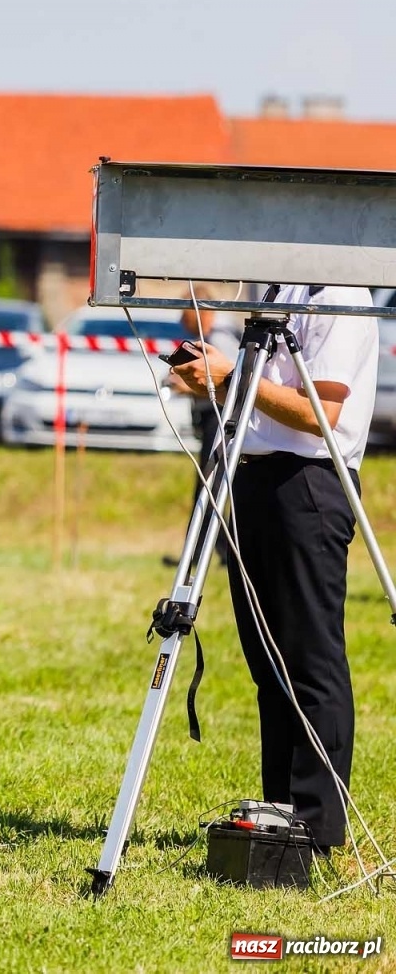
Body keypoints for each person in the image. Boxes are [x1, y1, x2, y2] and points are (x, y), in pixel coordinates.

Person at [172, 284, 376, 856]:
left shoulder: (341, 295)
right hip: (253, 475)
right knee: (269, 661)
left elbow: (321, 414)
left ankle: (317, 825)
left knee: (309, 658)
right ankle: (282, 809)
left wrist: (232, 375)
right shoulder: (275, 289)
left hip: (309, 481)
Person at [163, 287, 243, 566]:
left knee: (210, 487)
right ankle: (213, 552)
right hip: (213, 418)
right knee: (212, 487)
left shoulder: (220, 338)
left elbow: (234, 381)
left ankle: (200, 555)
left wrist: (187, 385)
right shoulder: (208, 337)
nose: (181, 318)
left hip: (222, 419)